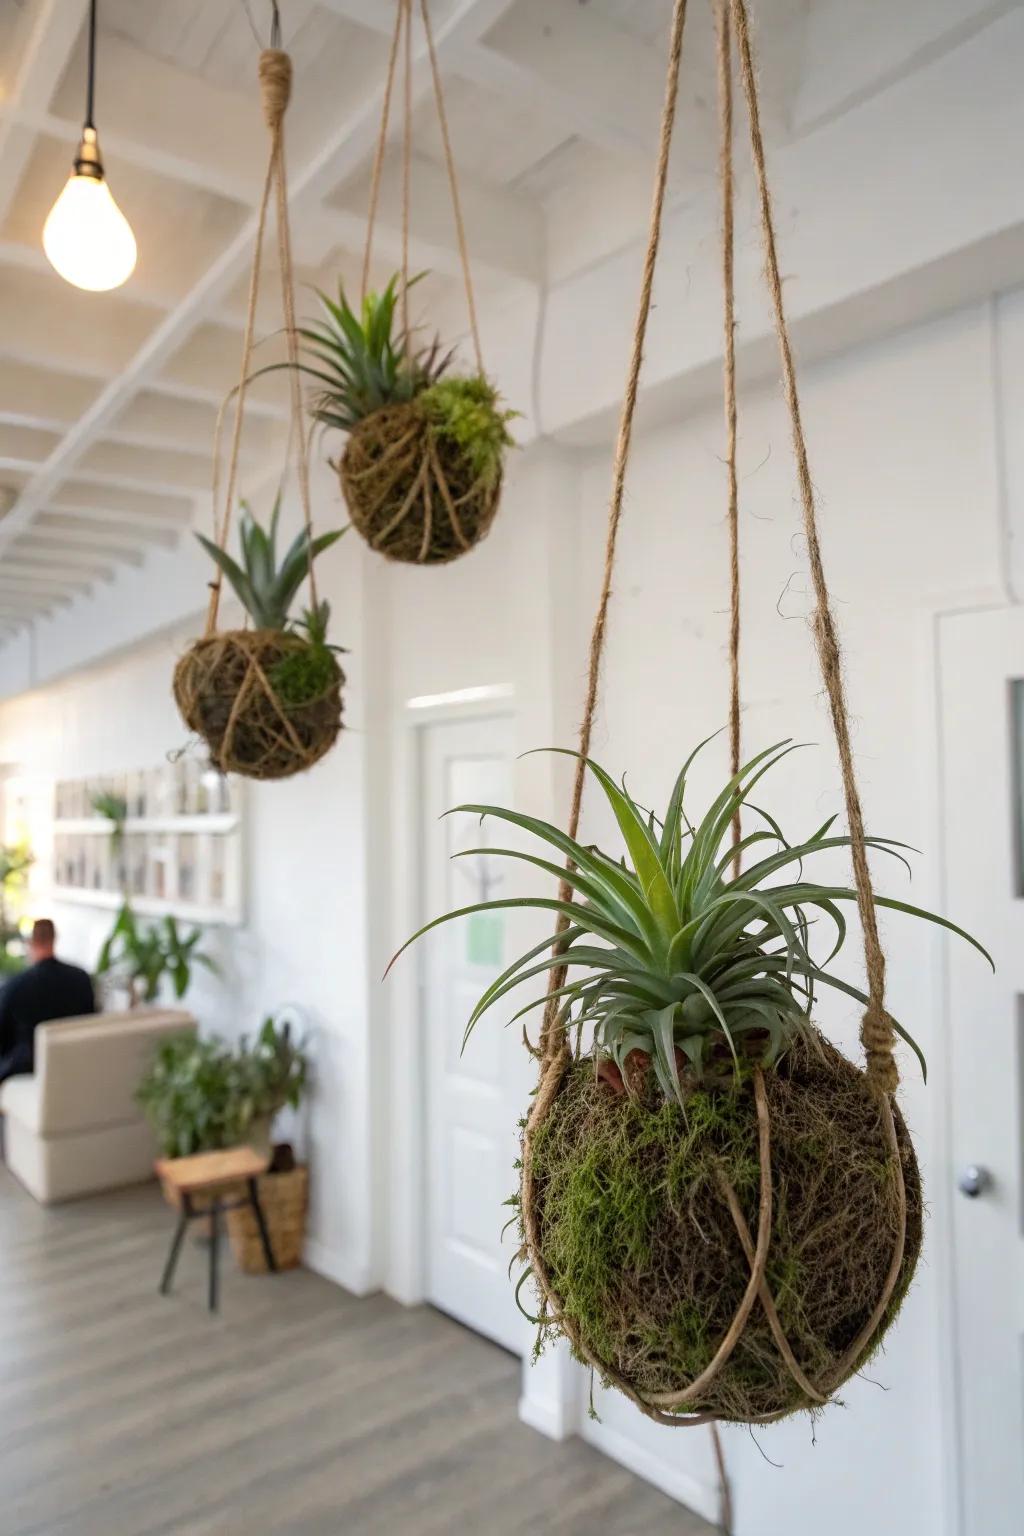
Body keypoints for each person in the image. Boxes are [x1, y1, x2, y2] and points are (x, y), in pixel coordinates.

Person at [0, 919, 95, 1084]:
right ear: (54, 939)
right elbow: (89, 1024)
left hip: (25, 1073)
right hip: (73, 1068)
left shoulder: (16, 986)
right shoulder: (81, 979)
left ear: (31, 943)